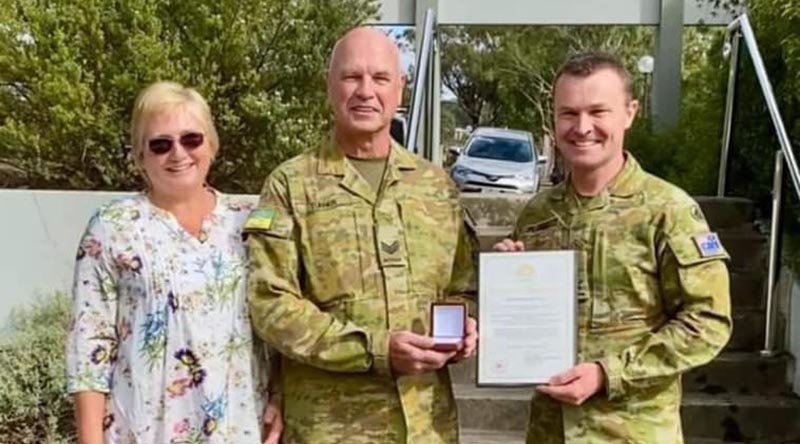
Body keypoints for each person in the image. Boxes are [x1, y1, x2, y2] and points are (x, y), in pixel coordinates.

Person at [245, 27, 478, 444]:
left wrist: (465, 326)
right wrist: (374, 348)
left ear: (401, 89)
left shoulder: (436, 187)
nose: (365, 91)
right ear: (329, 85)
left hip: (427, 426)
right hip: (331, 427)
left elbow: (464, 285)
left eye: (380, 78)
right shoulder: (290, 185)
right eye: (352, 77)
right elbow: (270, 303)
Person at [494, 53, 732, 443]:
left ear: (629, 113)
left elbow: (708, 321)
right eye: (568, 113)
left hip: (631, 431)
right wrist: (504, 285)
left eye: (597, 111)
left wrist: (610, 373)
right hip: (550, 432)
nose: (582, 127)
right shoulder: (537, 214)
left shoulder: (667, 210)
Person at [66, 81, 281, 444]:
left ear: (211, 144)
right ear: (140, 156)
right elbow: (89, 350)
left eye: (191, 139)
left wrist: (280, 396)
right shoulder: (111, 228)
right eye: (160, 144)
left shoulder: (249, 223)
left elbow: (278, 324)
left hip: (241, 429)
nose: (177, 153)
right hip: (146, 430)